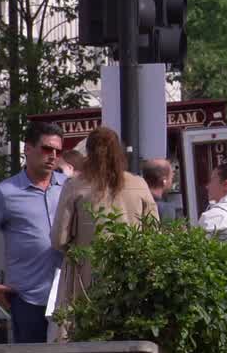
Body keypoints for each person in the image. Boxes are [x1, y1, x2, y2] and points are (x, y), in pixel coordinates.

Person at [0, 122, 66, 345]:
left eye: (57, 151)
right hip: (28, 298)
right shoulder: (5, 193)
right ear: (28, 149)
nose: (53, 156)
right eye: (46, 149)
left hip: (65, 295)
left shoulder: (68, 187)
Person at [50, 128, 156, 313]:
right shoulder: (139, 185)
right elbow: (154, 235)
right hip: (132, 279)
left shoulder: (75, 186)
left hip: (87, 281)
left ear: (88, 154)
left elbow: (59, 239)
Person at [141, 159, 179, 223]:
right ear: (164, 181)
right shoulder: (166, 209)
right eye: (171, 178)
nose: (171, 182)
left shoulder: (138, 200)